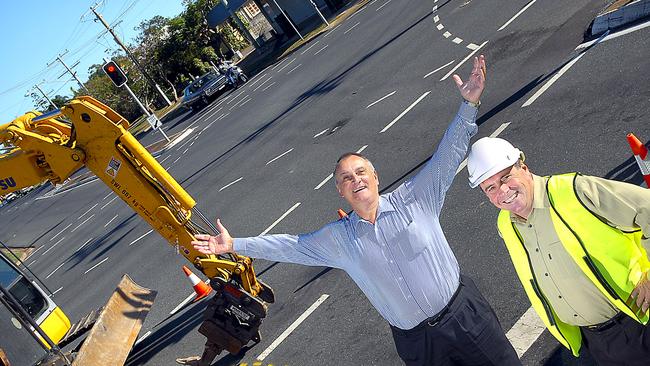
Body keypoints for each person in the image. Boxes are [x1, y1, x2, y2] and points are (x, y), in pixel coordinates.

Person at [193, 55, 520, 366]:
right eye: (346, 178)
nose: (355, 180)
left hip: (463, 317)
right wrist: (234, 244)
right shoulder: (339, 239)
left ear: (375, 177)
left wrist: (469, 105)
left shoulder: (417, 196)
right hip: (418, 343)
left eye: (361, 172)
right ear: (340, 190)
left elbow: (448, 154)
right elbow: (290, 245)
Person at [466, 137, 650, 365]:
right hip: (592, 342)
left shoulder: (574, 191)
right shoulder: (506, 224)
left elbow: (647, 209)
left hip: (636, 322)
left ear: (523, 167)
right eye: (490, 187)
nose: (503, 191)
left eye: (506, 177)